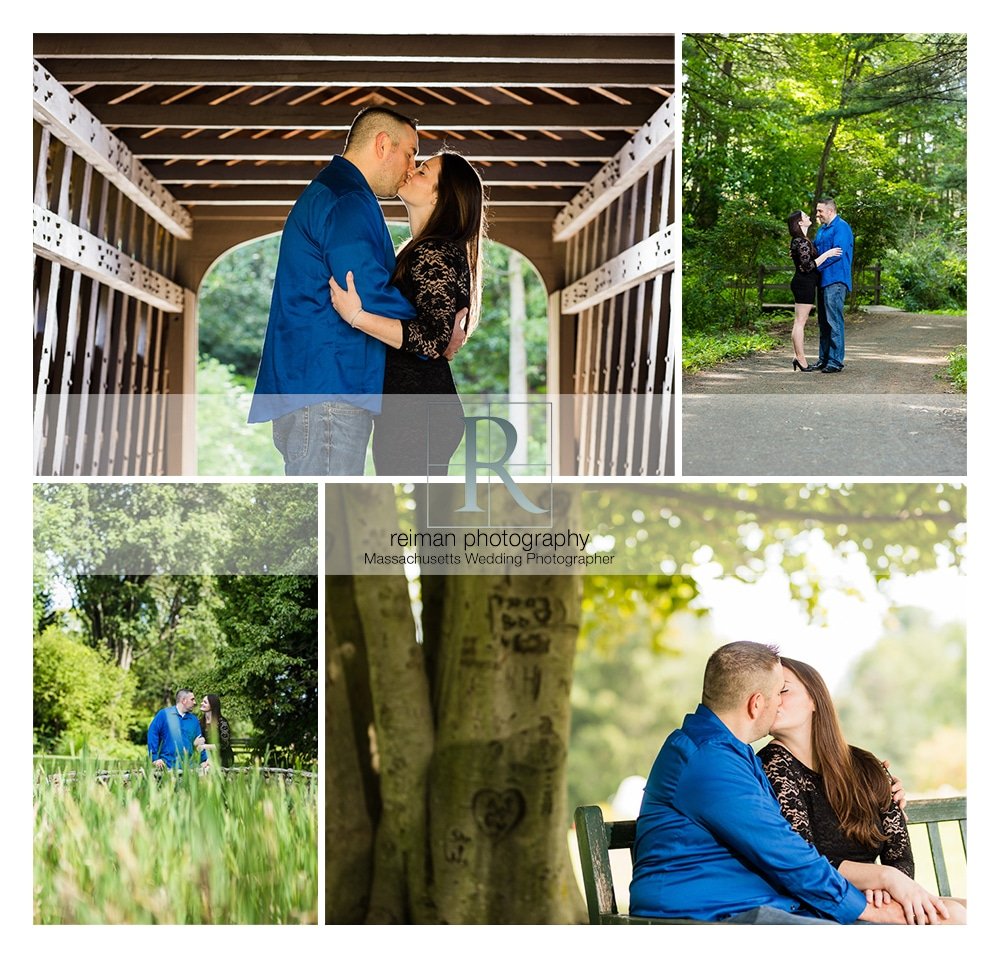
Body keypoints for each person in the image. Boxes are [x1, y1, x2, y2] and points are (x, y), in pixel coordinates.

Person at [628, 641, 950, 924]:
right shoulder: (712, 762)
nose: (779, 702)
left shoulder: (731, 756)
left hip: (751, 907)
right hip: (704, 917)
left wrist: (878, 792)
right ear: (757, 704)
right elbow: (785, 852)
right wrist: (869, 909)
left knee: (952, 919)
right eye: (776, 692)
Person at [248, 106, 422, 475]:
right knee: (328, 521)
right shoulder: (348, 199)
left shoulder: (336, 191)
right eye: (410, 153)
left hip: (318, 384)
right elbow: (366, 291)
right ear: (382, 144)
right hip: (330, 388)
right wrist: (430, 329)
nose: (411, 166)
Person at [758, 657, 966, 922]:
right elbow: (804, 861)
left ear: (815, 699)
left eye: (783, 690)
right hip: (827, 902)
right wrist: (880, 878)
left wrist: (889, 888)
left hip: (877, 896)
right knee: (956, 917)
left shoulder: (865, 765)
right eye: (768, 694)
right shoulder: (772, 765)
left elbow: (898, 853)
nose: (774, 701)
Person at [329, 150, 484, 475]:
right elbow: (438, 332)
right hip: (413, 411)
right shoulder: (424, 249)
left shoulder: (434, 251)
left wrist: (357, 316)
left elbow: (431, 339)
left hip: (417, 413)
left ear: (440, 195)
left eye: (423, 172)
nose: (412, 171)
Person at [787, 210, 841, 371]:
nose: (809, 217)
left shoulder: (801, 241)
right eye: (805, 216)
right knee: (799, 323)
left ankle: (798, 356)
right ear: (799, 223)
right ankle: (801, 359)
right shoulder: (801, 242)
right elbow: (807, 266)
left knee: (798, 322)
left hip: (803, 283)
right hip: (804, 283)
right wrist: (828, 254)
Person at [811, 197, 854, 373]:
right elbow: (814, 251)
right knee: (823, 322)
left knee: (834, 320)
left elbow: (837, 254)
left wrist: (815, 266)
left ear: (830, 210)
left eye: (820, 211)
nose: (817, 214)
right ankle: (824, 358)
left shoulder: (841, 227)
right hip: (822, 281)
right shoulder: (822, 230)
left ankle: (836, 361)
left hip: (836, 280)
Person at [147, 688, 207, 770]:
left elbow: (199, 742)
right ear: (184, 700)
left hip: (189, 768)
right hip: (166, 766)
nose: (195, 702)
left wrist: (204, 760)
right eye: (192, 699)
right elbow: (152, 735)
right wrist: (154, 758)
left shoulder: (194, 720)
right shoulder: (164, 714)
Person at [199, 693, 235, 768]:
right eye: (202, 701)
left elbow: (224, 745)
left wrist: (205, 746)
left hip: (223, 758)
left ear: (212, 705)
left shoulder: (222, 723)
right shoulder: (201, 722)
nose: (201, 703)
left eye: (205, 702)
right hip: (208, 758)